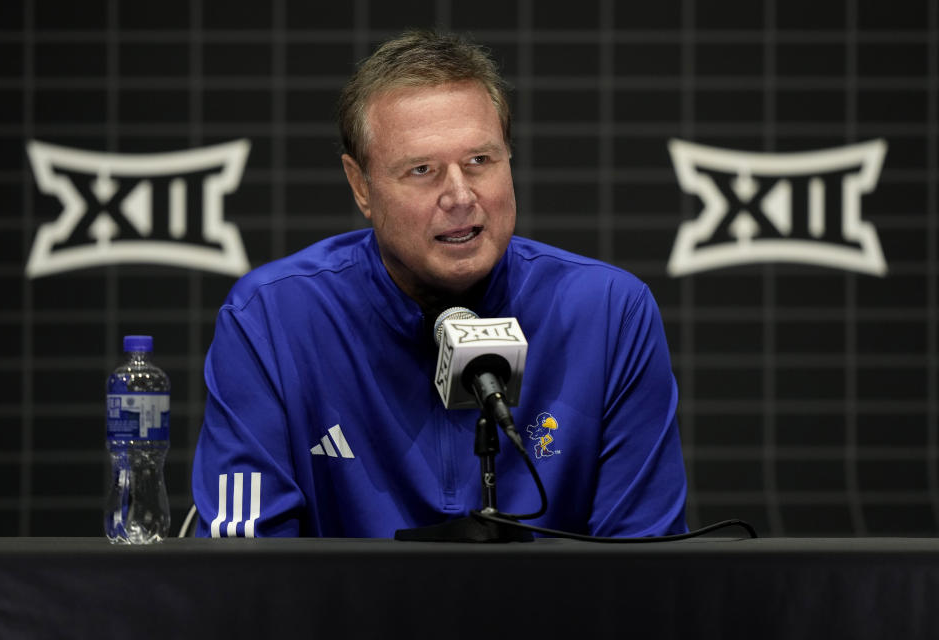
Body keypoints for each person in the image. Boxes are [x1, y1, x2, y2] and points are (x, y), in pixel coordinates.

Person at [191, 30, 687, 538]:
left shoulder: (608, 313)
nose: (459, 195)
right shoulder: (271, 318)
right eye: (422, 169)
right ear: (361, 186)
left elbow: (645, 564)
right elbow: (246, 571)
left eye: (479, 161)